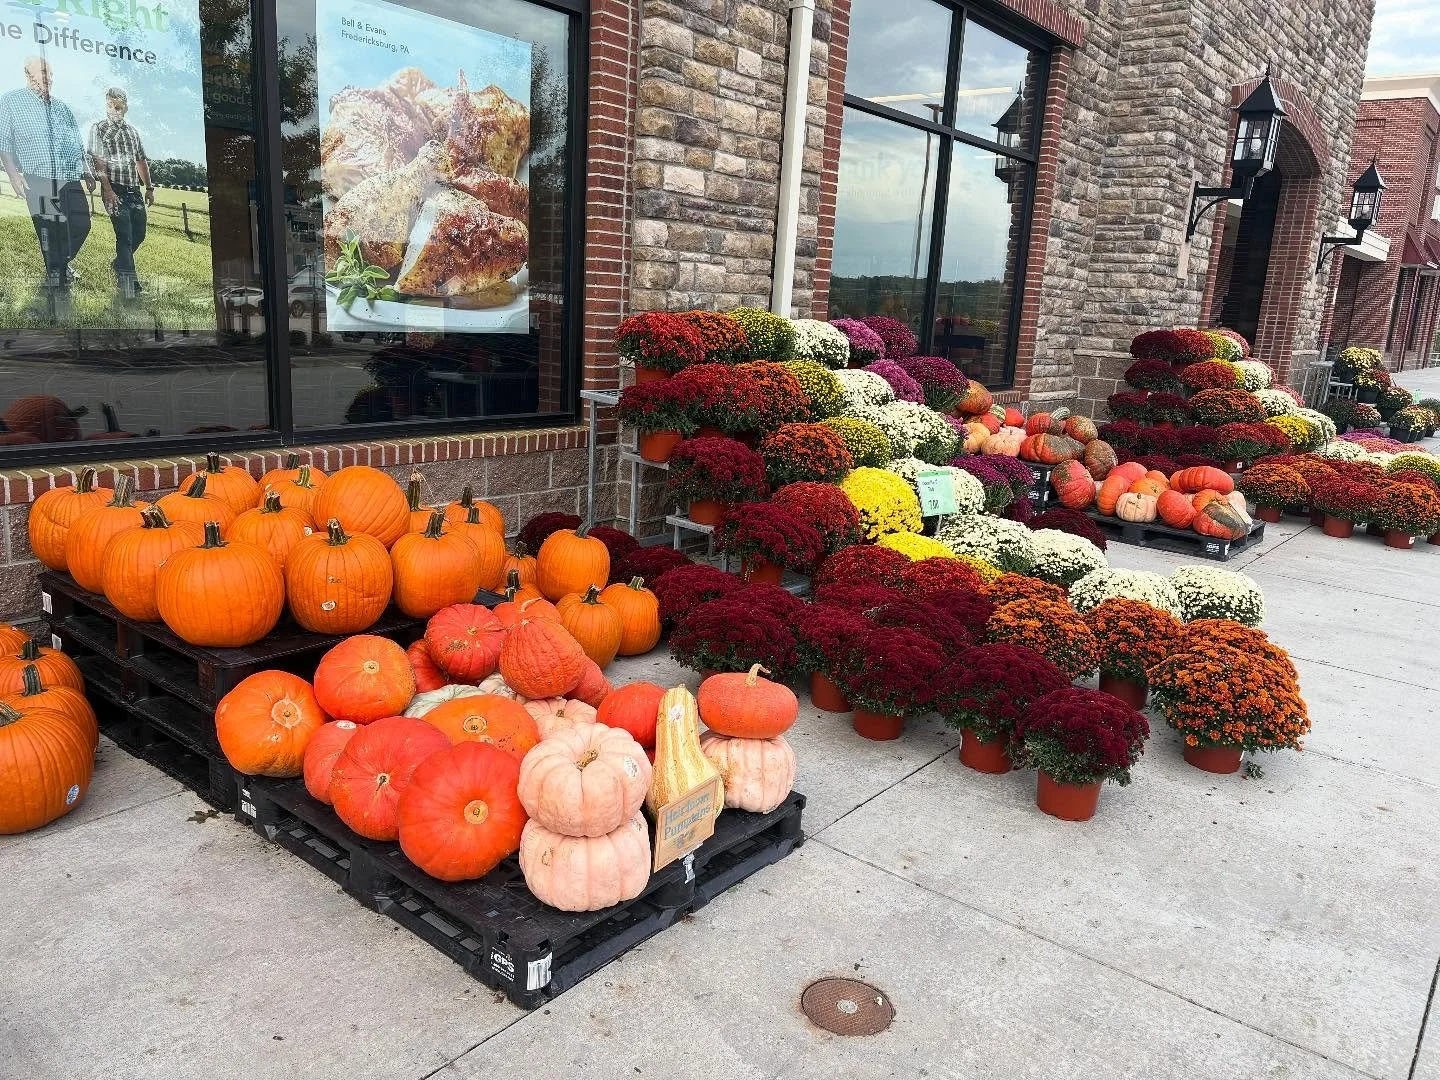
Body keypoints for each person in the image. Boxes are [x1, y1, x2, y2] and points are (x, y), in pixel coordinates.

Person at [0, 57, 92, 291]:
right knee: (52, 231)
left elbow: (77, 144)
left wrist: (88, 172)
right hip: (38, 177)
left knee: (82, 224)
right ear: (28, 75)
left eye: (51, 74)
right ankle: (57, 283)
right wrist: (13, 174)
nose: (49, 78)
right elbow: (4, 141)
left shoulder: (62, 107)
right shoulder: (10, 101)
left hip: (69, 175)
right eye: (43, 73)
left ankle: (60, 265)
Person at [88, 87, 155, 299]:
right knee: (124, 236)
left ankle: (119, 264)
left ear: (125, 107)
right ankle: (130, 287)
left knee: (139, 234)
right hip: (113, 188)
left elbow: (141, 161)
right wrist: (107, 190)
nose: (114, 110)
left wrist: (149, 188)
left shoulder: (133, 132)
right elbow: (99, 162)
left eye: (118, 106)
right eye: (110, 105)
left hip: (134, 190)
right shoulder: (98, 128)